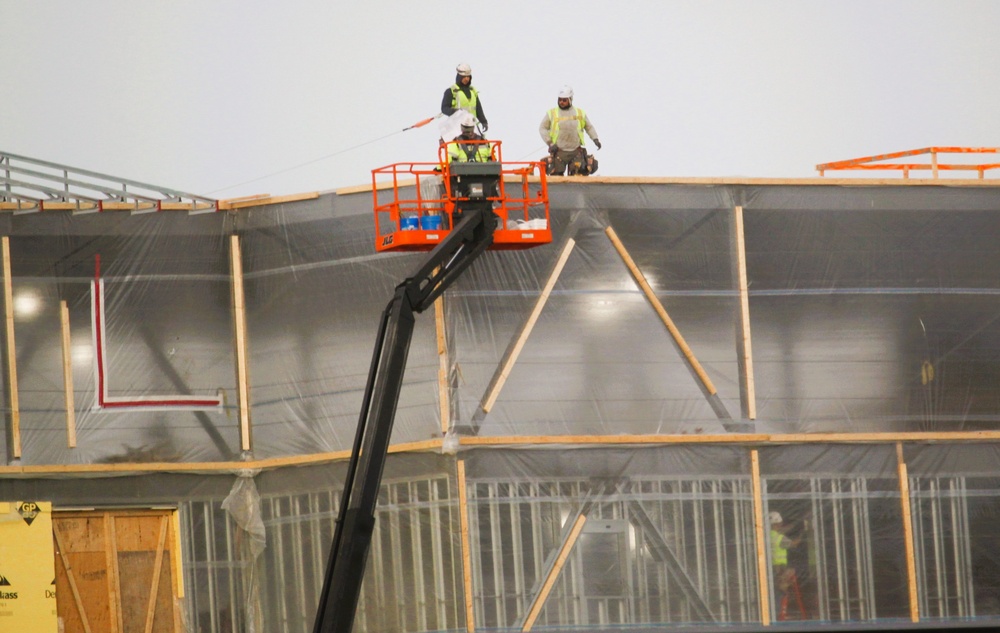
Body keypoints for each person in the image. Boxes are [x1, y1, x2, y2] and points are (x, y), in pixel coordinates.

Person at [538, 85, 601, 176]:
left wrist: (595, 138)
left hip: (575, 151)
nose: (561, 102)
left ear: (570, 99)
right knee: (556, 177)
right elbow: (542, 128)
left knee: (578, 177)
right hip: (559, 151)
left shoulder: (579, 113)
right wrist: (550, 143)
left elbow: (589, 127)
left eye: (564, 100)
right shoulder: (552, 113)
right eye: (560, 99)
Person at [769, 511, 805, 619]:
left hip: (770, 568)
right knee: (782, 590)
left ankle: (776, 613)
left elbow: (783, 530)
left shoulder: (768, 535)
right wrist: (802, 534)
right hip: (779, 568)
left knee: (774, 590)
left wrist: (795, 524)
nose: (781, 525)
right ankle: (780, 614)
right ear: (777, 524)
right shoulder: (779, 538)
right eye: (780, 523)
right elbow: (793, 544)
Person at [441, 63, 488, 133]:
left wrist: (483, 121)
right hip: (456, 127)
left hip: (472, 127)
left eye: (468, 77)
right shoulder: (451, 91)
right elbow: (444, 108)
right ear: (459, 77)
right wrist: (454, 111)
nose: (466, 79)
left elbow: (478, 108)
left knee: (481, 142)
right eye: (464, 77)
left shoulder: (473, 91)